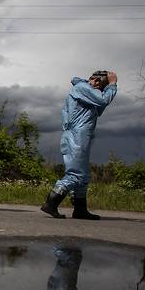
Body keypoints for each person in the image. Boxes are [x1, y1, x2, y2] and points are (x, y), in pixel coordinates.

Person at [41, 71, 118, 220]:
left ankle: (80, 209)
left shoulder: (86, 92)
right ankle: (51, 202)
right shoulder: (82, 87)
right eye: (101, 86)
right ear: (96, 81)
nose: (100, 90)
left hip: (81, 137)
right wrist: (113, 84)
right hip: (75, 137)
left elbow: (99, 108)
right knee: (76, 174)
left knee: (83, 176)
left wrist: (107, 89)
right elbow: (103, 100)